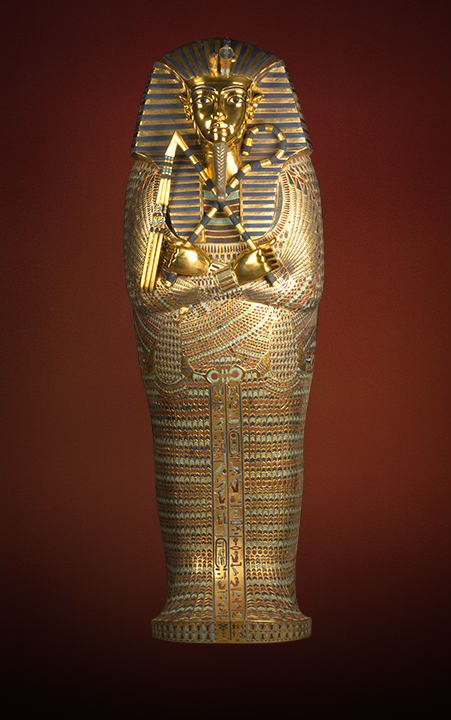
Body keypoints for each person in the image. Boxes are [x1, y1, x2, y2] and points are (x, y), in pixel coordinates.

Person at [124, 39, 324, 643]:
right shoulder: (159, 174)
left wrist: (202, 278)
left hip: (271, 345)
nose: (217, 114)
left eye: (231, 99)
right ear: (183, 106)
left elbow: (305, 284)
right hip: (182, 345)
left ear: (253, 106)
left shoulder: (287, 174)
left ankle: (271, 595)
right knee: (185, 464)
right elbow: (144, 289)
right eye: (205, 101)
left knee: (269, 461)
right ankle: (189, 595)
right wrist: (236, 276)